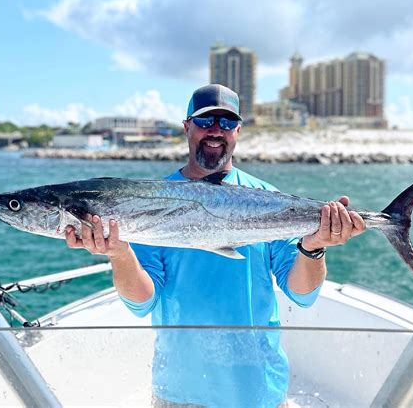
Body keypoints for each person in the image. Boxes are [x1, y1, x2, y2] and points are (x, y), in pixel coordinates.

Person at [65, 84, 366, 407]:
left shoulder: (267, 198)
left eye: (226, 123)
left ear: (237, 130)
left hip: (259, 392)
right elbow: (143, 303)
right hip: (179, 393)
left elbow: (302, 295)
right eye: (206, 121)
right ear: (186, 127)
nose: (215, 131)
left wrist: (314, 247)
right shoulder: (147, 203)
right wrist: (119, 254)